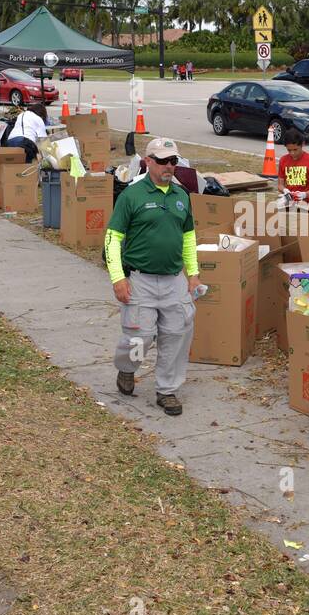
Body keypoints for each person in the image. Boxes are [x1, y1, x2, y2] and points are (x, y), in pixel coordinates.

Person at [105, 137, 202, 417]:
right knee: (140, 337)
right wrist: (117, 278)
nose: (169, 166)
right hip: (140, 280)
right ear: (148, 162)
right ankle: (127, 368)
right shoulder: (131, 196)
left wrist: (192, 274)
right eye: (162, 161)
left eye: (173, 161)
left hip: (173, 281)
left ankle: (167, 390)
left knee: (177, 334)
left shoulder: (181, 196)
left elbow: (188, 237)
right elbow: (113, 239)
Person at [277, 127, 309, 202]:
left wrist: (304, 194)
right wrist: (285, 190)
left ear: (302, 144)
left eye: (295, 149)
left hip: (307, 201)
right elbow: (280, 185)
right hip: (289, 200)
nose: (292, 153)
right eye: (289, 150)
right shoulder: (283, 160)